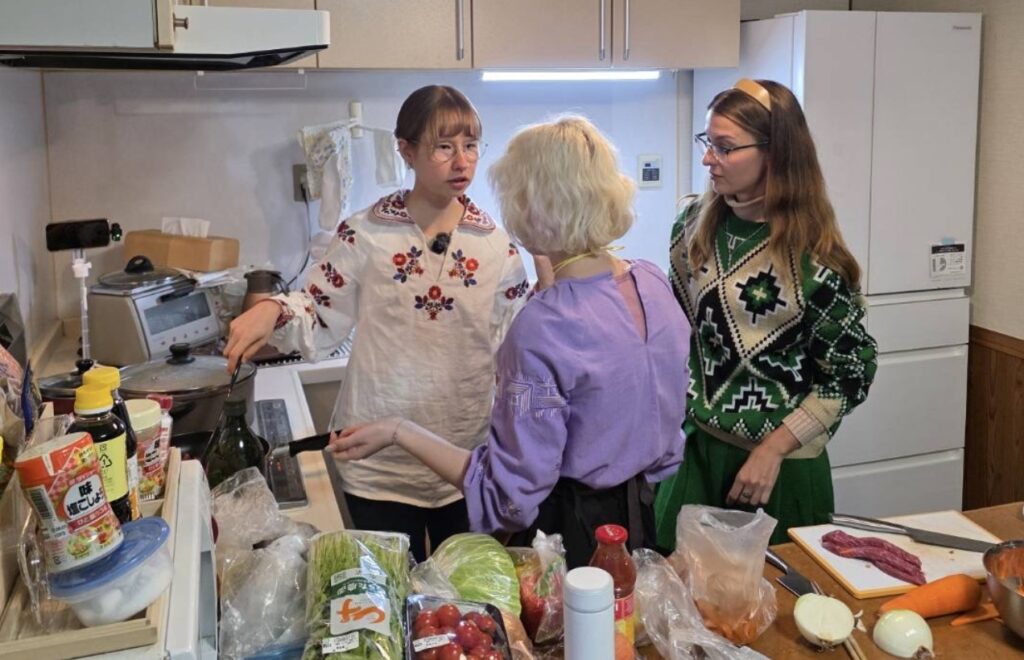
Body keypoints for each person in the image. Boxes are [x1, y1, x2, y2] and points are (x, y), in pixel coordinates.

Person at [328, 115, 691, 568]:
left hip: (569, 544)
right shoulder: (652, 283)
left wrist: (399, 430)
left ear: (529, 207)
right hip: (638, 524)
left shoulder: (543, 325)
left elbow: (509, 494)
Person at [223, 85, 530, 562]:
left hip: (464, 457)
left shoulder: (497, 246)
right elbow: (319, 311)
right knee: (383, 595)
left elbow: (518, 342)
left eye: (470, 146)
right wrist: (276, 308)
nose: (461, 162)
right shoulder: (364, 233)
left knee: (460, 606)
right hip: (376, 459)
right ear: (405, 150)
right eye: (444, 146)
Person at [654, 79, 878, 547]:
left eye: (725, 147)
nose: (707, 158)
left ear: (774, 154)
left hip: (778, 471)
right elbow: (678, 331)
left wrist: (773, 449)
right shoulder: (692, 228)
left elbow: (850, 374)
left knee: (777, 608)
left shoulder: (817, 260)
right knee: (679, 603)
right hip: (697, 452)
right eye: (707, 142)